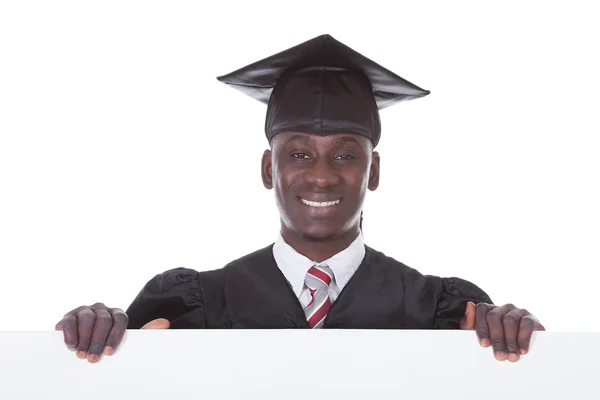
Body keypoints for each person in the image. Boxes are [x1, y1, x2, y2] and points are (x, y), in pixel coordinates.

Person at [56, 34, 545, 364]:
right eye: (299, 153)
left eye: (347, 155)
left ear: (373, 171)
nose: (322, 176)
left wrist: (525, 352)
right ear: (269, 169)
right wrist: (93, 341)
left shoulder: (440, 311)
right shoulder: (191, 306)